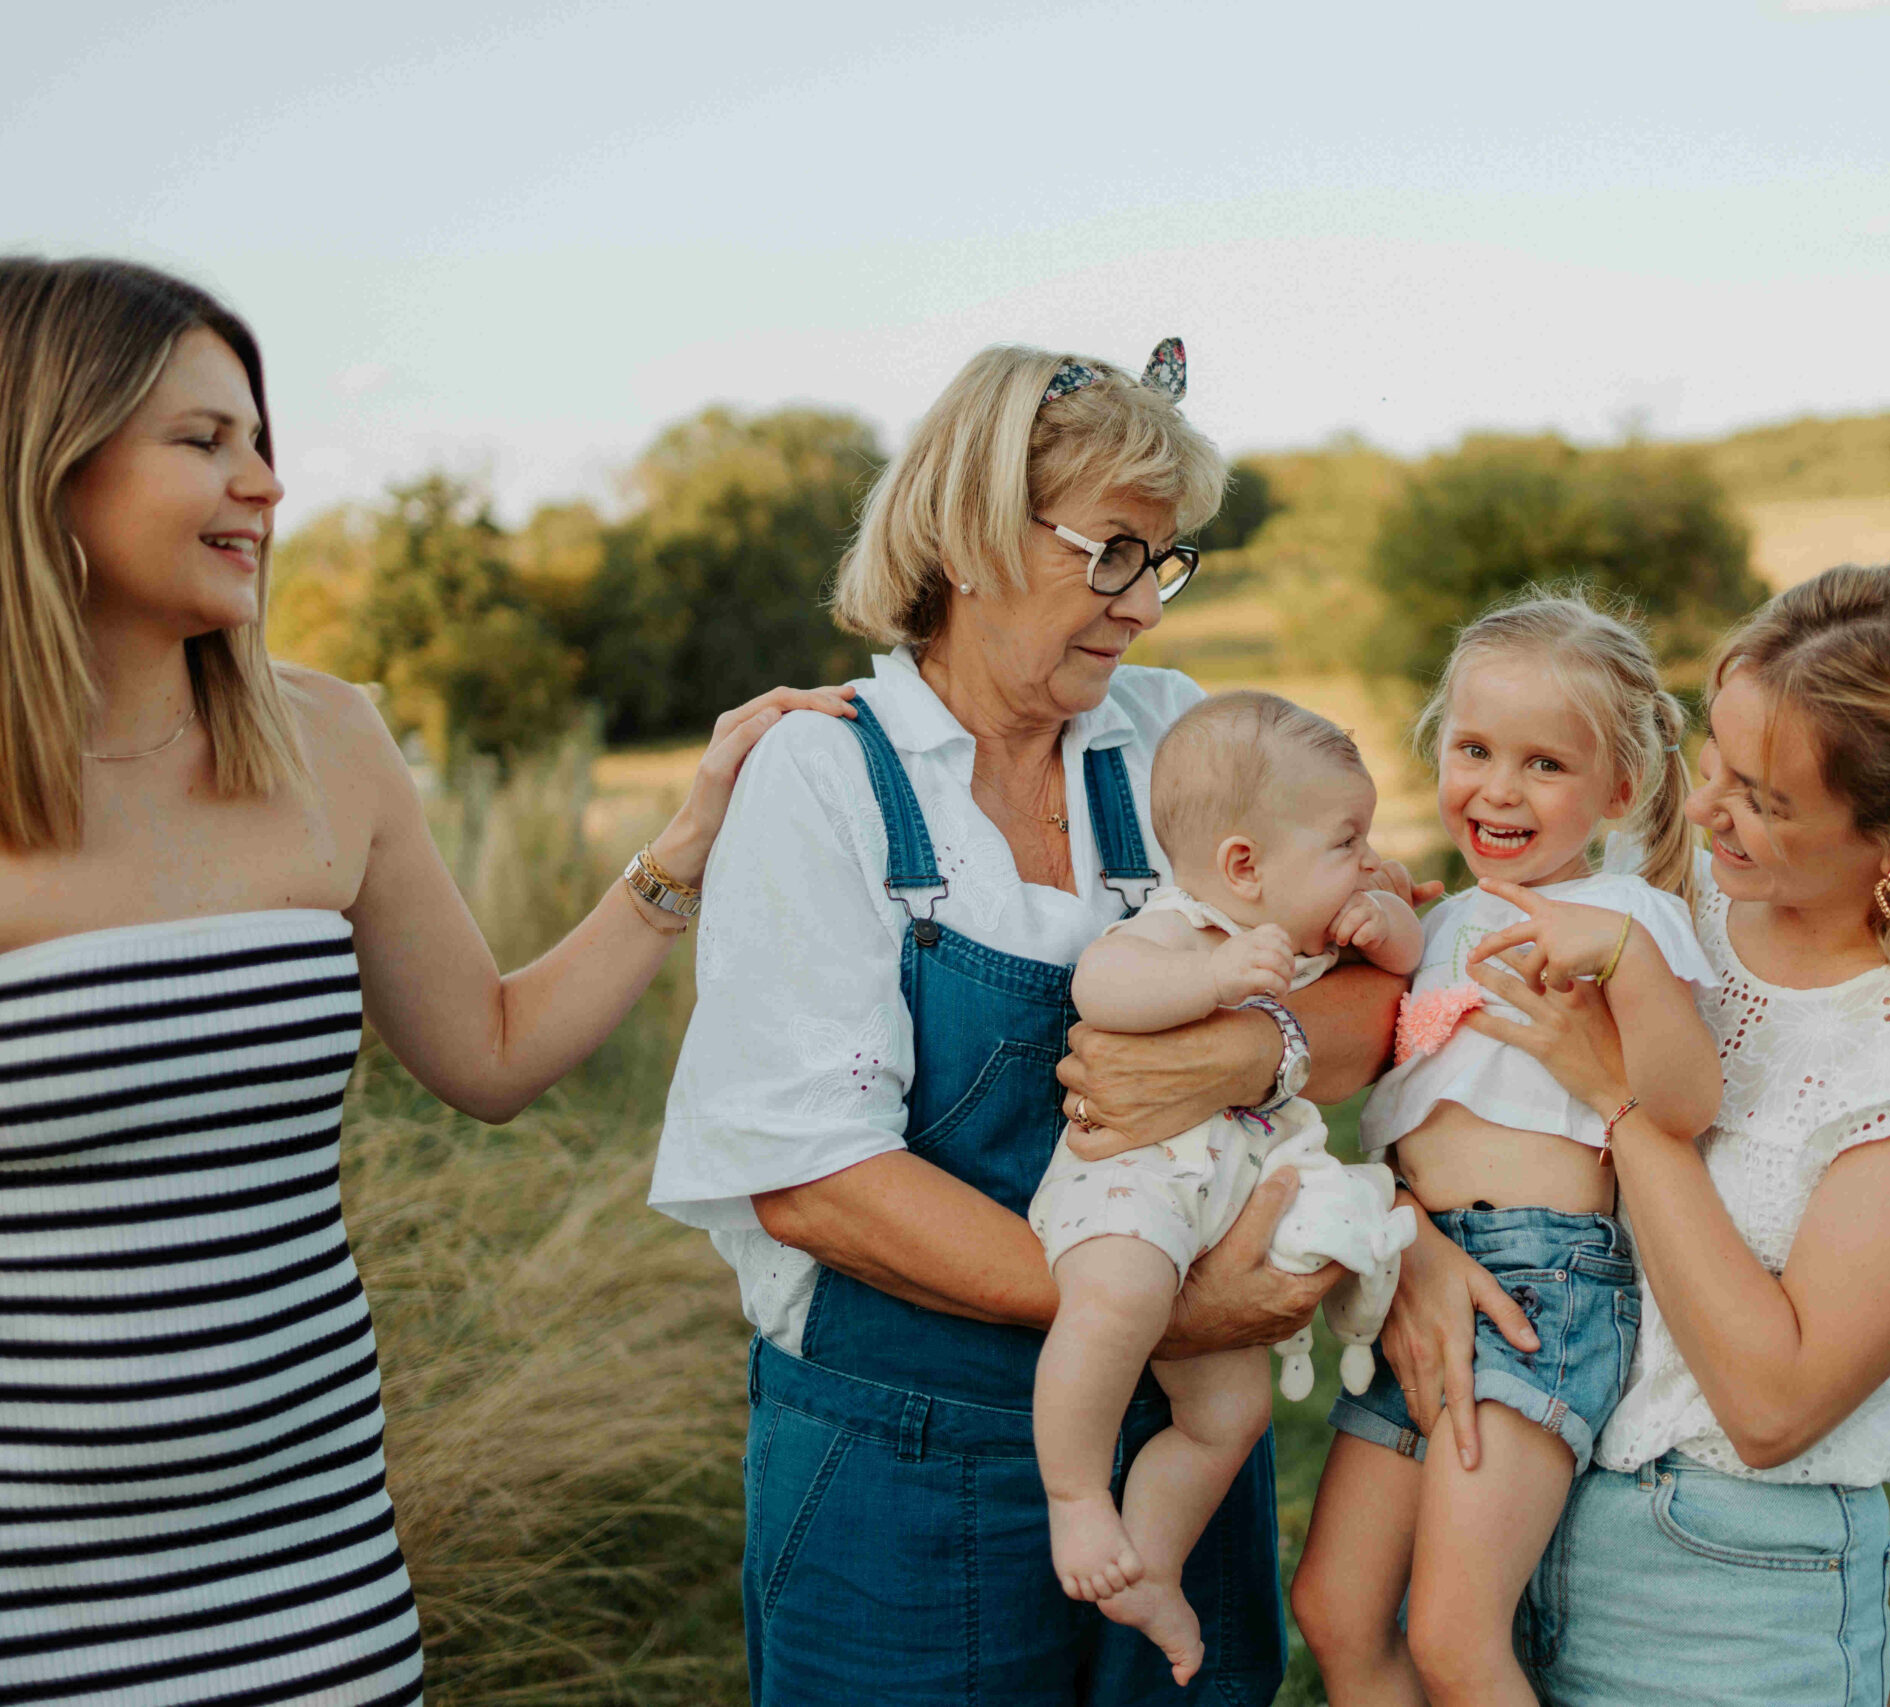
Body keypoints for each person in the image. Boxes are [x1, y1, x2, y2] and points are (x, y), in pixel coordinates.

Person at [0, 255, 832, 1706]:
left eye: (263, 441)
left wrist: (687, 840)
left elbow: (489, 1054)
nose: (266, 488)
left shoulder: (325, 738)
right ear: (38, 456)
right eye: (203, 441)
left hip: (311, 1572)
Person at [648, 340, 1416, 1705]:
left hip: (1176, 1443)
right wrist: (1167, 1305)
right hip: (906, 1460)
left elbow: (1378, 977)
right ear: (968, 531)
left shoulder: (1175, 736)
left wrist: (1257, 1050)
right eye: (1114, 549)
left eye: (1165, 560)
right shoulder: (828, 781)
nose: (1144, 607)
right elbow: (817, 1184)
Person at [1377, 562, 1890, 1707]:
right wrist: (1412, 1242)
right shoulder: (1676, 903)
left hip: (1722, 1600)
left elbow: (1771, 1407)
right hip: (1507, 1504)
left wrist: (1624, 1108)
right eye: (1713, 761)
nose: (1708, 809)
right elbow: (1428, 1050)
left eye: (1764, 799)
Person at [1290, 593, 1722, 1707]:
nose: (1497, 788)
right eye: (1474, 750)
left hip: (1547, 1282)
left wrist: (1622, 959)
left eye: (1544, 765)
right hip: (1417, 1263)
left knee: (1453, 1634)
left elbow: (1683, 1102)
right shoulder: (1438, 926)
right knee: (1335, 1612)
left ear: (1620, 791)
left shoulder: (1625, 914)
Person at [1033, 690, 1420, 1683]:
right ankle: (1076, 1498)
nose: (1364, 858)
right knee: (1116, 1302)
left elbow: (1404, 971)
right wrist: (1215, 984)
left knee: (1230, 1414)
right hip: (1130, 1193)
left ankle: (1148, 1564)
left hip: (1220, 1214)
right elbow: (1099, 988)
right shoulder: (1183, 928)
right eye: (1347, 842)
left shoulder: (1308, 936)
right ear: (1245, 865)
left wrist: (1384, 918)